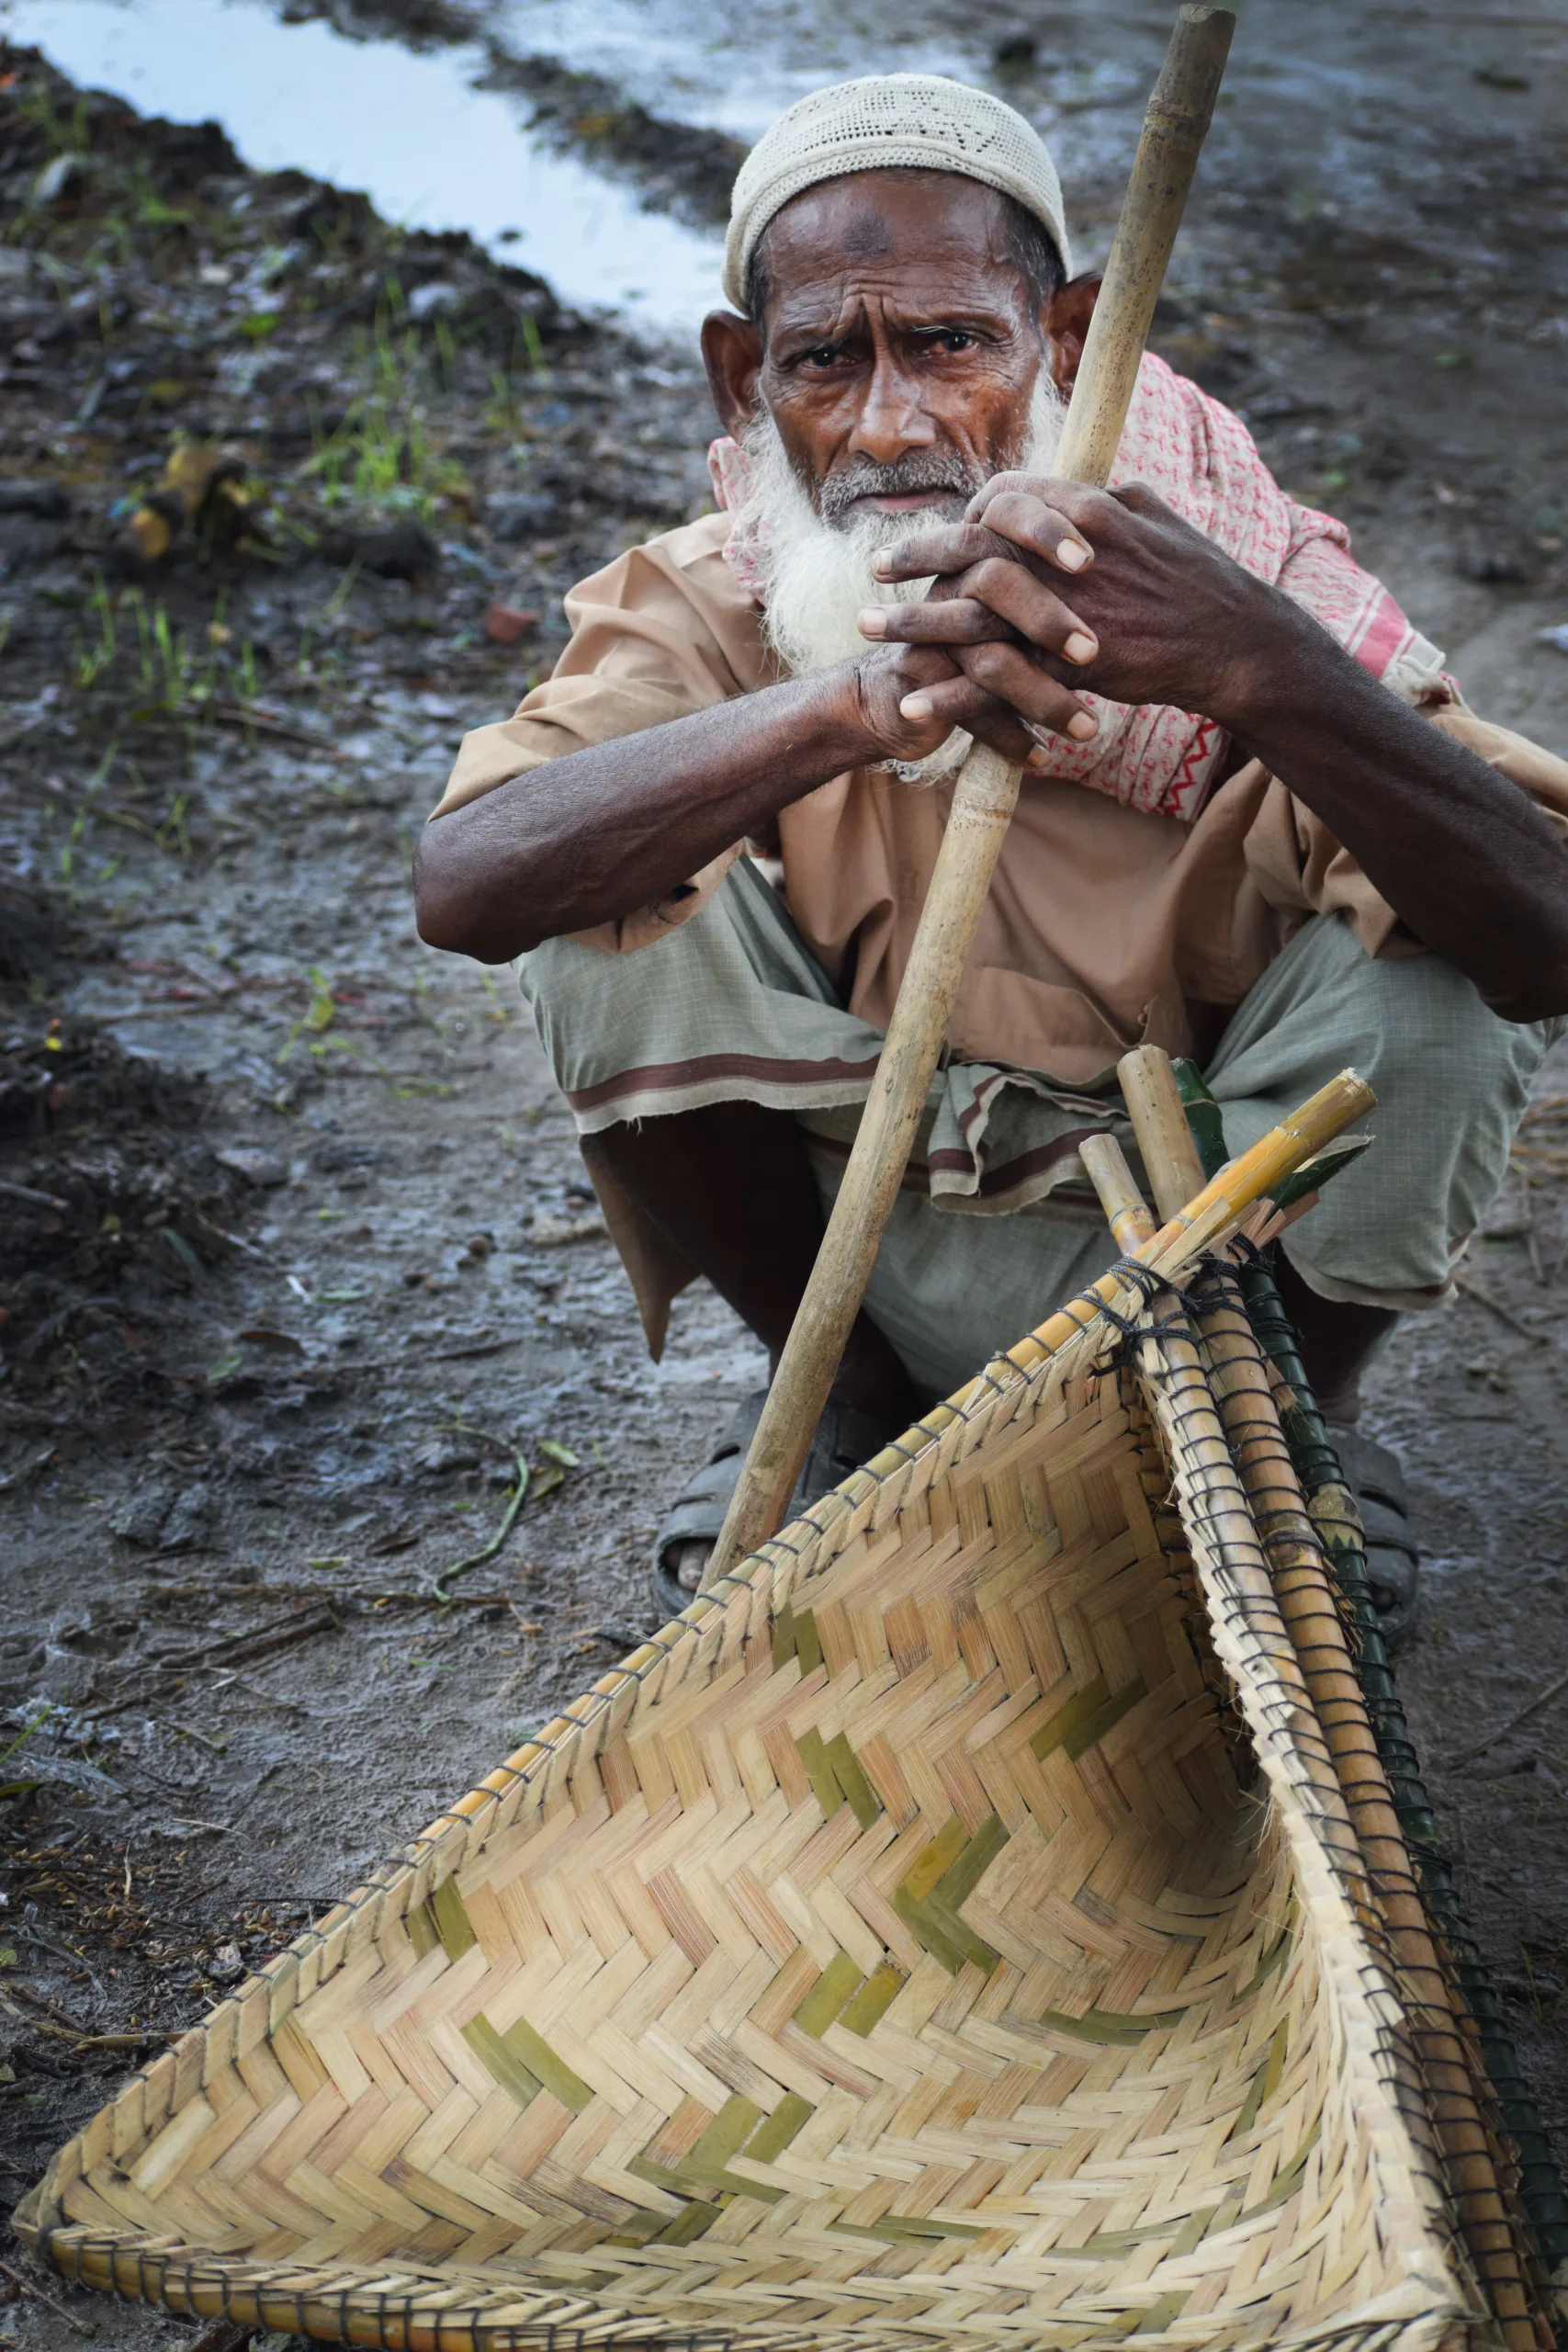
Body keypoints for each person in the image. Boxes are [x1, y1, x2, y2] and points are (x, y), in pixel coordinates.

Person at [413, 74, 1568, 1640]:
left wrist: (1262, 671)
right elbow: (470, 885)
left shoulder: (1236, 584)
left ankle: (1289, 1437)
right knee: (597, 902)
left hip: (1211, 1263)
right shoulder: (705, 599)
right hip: (869, 1245)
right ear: (743, 377)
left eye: (951, 344)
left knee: (1434, 983)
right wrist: (845, 707)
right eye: (825, 359)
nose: (889, 422)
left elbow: (1543, 939)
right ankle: (851, 1412)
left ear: (1069, 340)